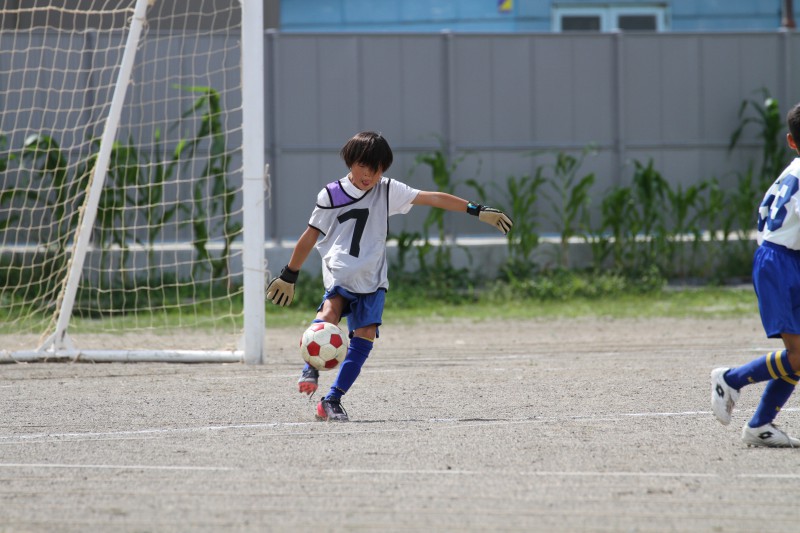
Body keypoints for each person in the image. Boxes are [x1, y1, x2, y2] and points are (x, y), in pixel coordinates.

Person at [266, 131, 513, 422]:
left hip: (373, 280)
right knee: (330, 311)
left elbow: (431, 197)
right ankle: (311, 365)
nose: (368, 174)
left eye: (377, 168)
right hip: (341, 274)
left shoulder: (387, 190)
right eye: (362, 166)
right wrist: (289, 274)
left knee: (366, 336)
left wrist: (476, 209)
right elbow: (310, 236)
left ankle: (331, 400)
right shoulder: (331, 194)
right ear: (350, 161)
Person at [711, 102, 800, 447]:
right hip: (779, 262)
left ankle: (761, 425)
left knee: (799, 355)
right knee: (796, 355)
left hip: (780, 256)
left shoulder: (793, 167)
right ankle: (730, 379)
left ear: (791, 142)